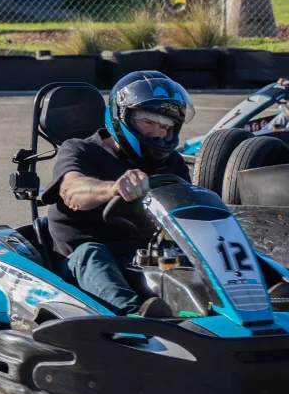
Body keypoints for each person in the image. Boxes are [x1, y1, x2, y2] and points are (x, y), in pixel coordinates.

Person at [41, 70, 195, 318]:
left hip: (147, 260)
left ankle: (254, 303)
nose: (158, 133)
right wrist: (112, 188)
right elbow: (72, 191)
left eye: (165, 126)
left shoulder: (172, 163)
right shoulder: (80, 150)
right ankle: (130, 322)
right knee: (91, 253)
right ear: (122, 117)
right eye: (149, 123)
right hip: (78, 267)